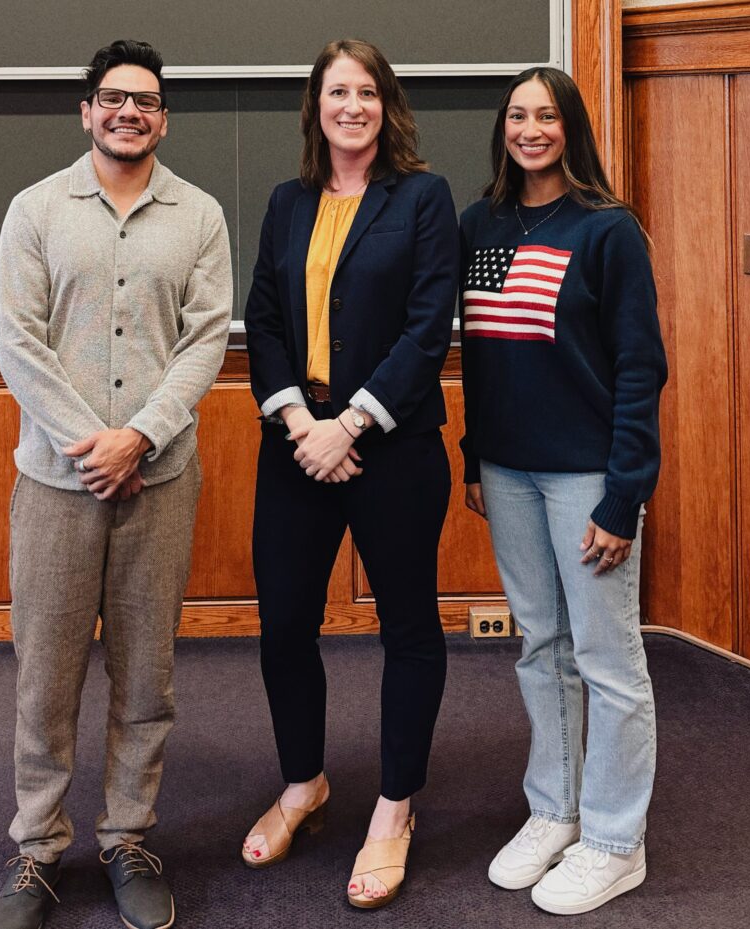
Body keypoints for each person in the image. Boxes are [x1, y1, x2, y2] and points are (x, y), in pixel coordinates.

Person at [0, 39, 232, 929]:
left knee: (146, 677)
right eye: (114, 98)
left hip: (159, 481)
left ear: (163, 118)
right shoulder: (36, 210)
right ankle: (39, 847)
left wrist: (139, 437)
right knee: (45, 676)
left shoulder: (198, 215)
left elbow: (206, 339)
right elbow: (17, 340)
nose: (130, 112)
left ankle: (128, 835)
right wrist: (92, 443)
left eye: (148, 101)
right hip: (56, 484)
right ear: (87, 110)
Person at [242, 38, 459, 909]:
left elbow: (428, 323)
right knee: (285, 625)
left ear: (387, 104)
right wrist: (302, 421)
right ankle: (305, 786)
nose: (352, 106)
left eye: (367, 92)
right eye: (338, 92)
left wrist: (353, 422)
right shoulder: (287, 203)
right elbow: (261, 317)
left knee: (407, 628)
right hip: (297, 446)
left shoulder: (423, 198)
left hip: (391, 447)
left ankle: (395, 809)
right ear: (316, 106)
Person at [460, 66, 667, 915]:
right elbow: (486, 350)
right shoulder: (484, 222)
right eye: (518, 115)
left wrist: (624, 496)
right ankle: (557, 808)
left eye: (547, 115)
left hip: (587, 475)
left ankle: (617, 840)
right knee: (540, 645)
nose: (531, 128)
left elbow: (640, 369)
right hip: (507, 469)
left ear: (570, 126)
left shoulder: (608, 231)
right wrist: (476, 457)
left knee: (608, 661)